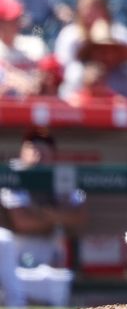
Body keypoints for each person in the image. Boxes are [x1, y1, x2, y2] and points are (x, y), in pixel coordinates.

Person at [0, 130, 87, 307]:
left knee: (59, 283)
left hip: (48, 256)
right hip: (13, 257)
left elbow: (79, 217)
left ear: (53, 154)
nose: (38, 153)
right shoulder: (13, 173)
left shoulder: (60, 175)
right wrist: (57, 217)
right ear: (22, 151)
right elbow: (22, 223)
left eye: (44, 148)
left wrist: (42, 214)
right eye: (32, 147)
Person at [54, 0, 127, 100]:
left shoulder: (117, 32)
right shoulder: (70, 35)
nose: (90, 12)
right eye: (87, 8)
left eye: (96, 8)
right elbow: (62, 67)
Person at [0, 0, 48, 97]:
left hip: (32, 104)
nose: (16, 24)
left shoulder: (35, 44)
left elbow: (45, 75)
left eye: (17, 19)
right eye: (10, 20)